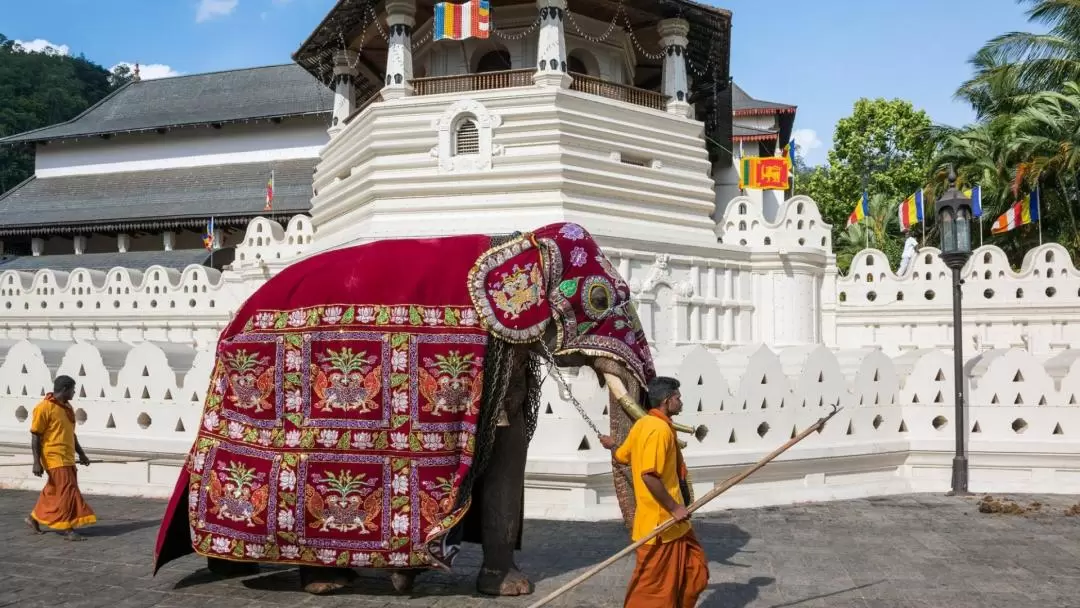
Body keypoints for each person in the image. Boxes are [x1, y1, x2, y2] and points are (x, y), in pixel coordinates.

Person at [599, 376, 709, 608]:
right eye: (678, 398)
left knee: (695, 572)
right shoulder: (659, 430)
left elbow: (622, 456)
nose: (681, 402)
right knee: (651, 596)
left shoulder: (644, 425)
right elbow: (649, 475)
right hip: (660, 526)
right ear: (667, 401)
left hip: (676, 526)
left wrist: (611, 445)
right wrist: (674, 507)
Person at [25, 375, 96, 540]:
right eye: (72, 389)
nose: (74, 392)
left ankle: (33, 518)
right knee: (67, 491)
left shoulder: (67, 408)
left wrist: (82, 454)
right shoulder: (44, 408)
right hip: (53, 457)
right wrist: (37, 462)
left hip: (67, 456)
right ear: (64, 389)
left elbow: (71, 434)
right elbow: (36, 436)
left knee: (53, 490)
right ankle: (67, 528)